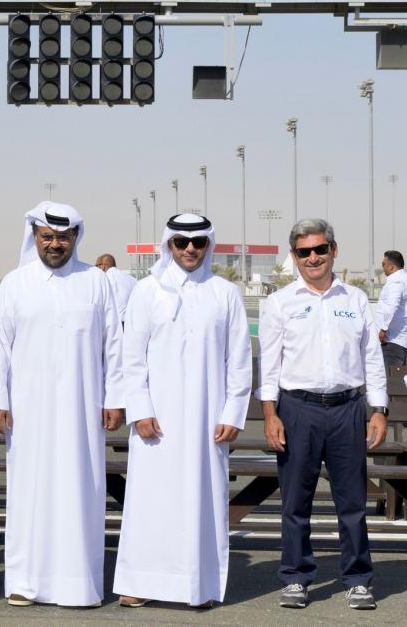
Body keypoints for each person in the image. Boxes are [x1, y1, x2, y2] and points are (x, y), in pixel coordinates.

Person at [0, 201, 123, 608]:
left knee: (81, 490)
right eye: (47, 236)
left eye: (63, 237)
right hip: (28, 411)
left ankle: (77, 585)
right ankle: (25, 583)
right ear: (34, 237)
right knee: (30, 492)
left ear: (76, 238)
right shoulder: (15, 282)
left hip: (83, 410)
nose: (55, 244)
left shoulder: (96, 282)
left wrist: (115, 399)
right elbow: (0, 348)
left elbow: (113, 345)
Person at [113, 213, 252, 608]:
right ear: (168, 244)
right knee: (149, 500)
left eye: (198, 242)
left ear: (208, 245)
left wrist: (232, 413)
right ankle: (140, 583)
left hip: (208, 421)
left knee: (201, 499)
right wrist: (139, 408)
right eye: (181, 242)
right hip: (155, 421)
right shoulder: (145, 291)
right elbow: (131, 358)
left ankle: (197, 587)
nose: (189, 249)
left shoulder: (225, 292)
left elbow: (239, 360)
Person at [257, 218, 388, 610]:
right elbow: (270, 364)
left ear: (334, 250)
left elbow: (372, 358)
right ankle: (296, 577)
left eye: (319, 249)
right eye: (303, 251)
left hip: (348, 409)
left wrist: (378, 409)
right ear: (294, 256)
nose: (313, 258)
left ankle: (358, 579)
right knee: (295, 502)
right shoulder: (280, 302)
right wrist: (270, 414)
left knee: (352, 504)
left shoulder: (356, 299)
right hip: (297, 410)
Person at [375, 250, 407, 372]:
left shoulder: (396, 281)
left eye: (383, 264)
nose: (382, 267)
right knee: (401, 387)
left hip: (393, 342)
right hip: (402, 341)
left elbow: (392, 304)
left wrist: (383, 328)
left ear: (391, 266)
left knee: (390, 383)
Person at [95, 253, 136, 326]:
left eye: (97, 266)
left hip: (114, 324)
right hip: (131, 324)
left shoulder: (104, 279)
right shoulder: (131, 279)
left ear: (103, 266)